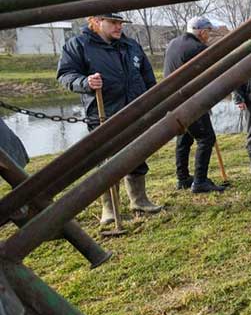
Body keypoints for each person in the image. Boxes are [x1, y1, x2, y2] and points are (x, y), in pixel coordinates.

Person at [57, 13, 163, 224]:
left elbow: (147, 76)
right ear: (96, 21)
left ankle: (139, 200)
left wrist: (153, 101)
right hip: (103, 113)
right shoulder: (78, 44)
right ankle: (110, 208)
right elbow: (65, 75)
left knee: (137, 154)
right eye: (113, 23)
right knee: (107, 161)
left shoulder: (131, 45)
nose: (118, 27)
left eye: (120, 23)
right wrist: (85, 82)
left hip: (135, 110)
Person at [163, 16, 225, 193]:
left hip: (174, 101)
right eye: (208, 32)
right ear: (202, 31)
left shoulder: (174, 43)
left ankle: (182, 178)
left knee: (185, 138)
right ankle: (200, 182)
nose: (209, 35)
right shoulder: (198, 48)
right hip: (192, 101)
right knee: (206, 138)